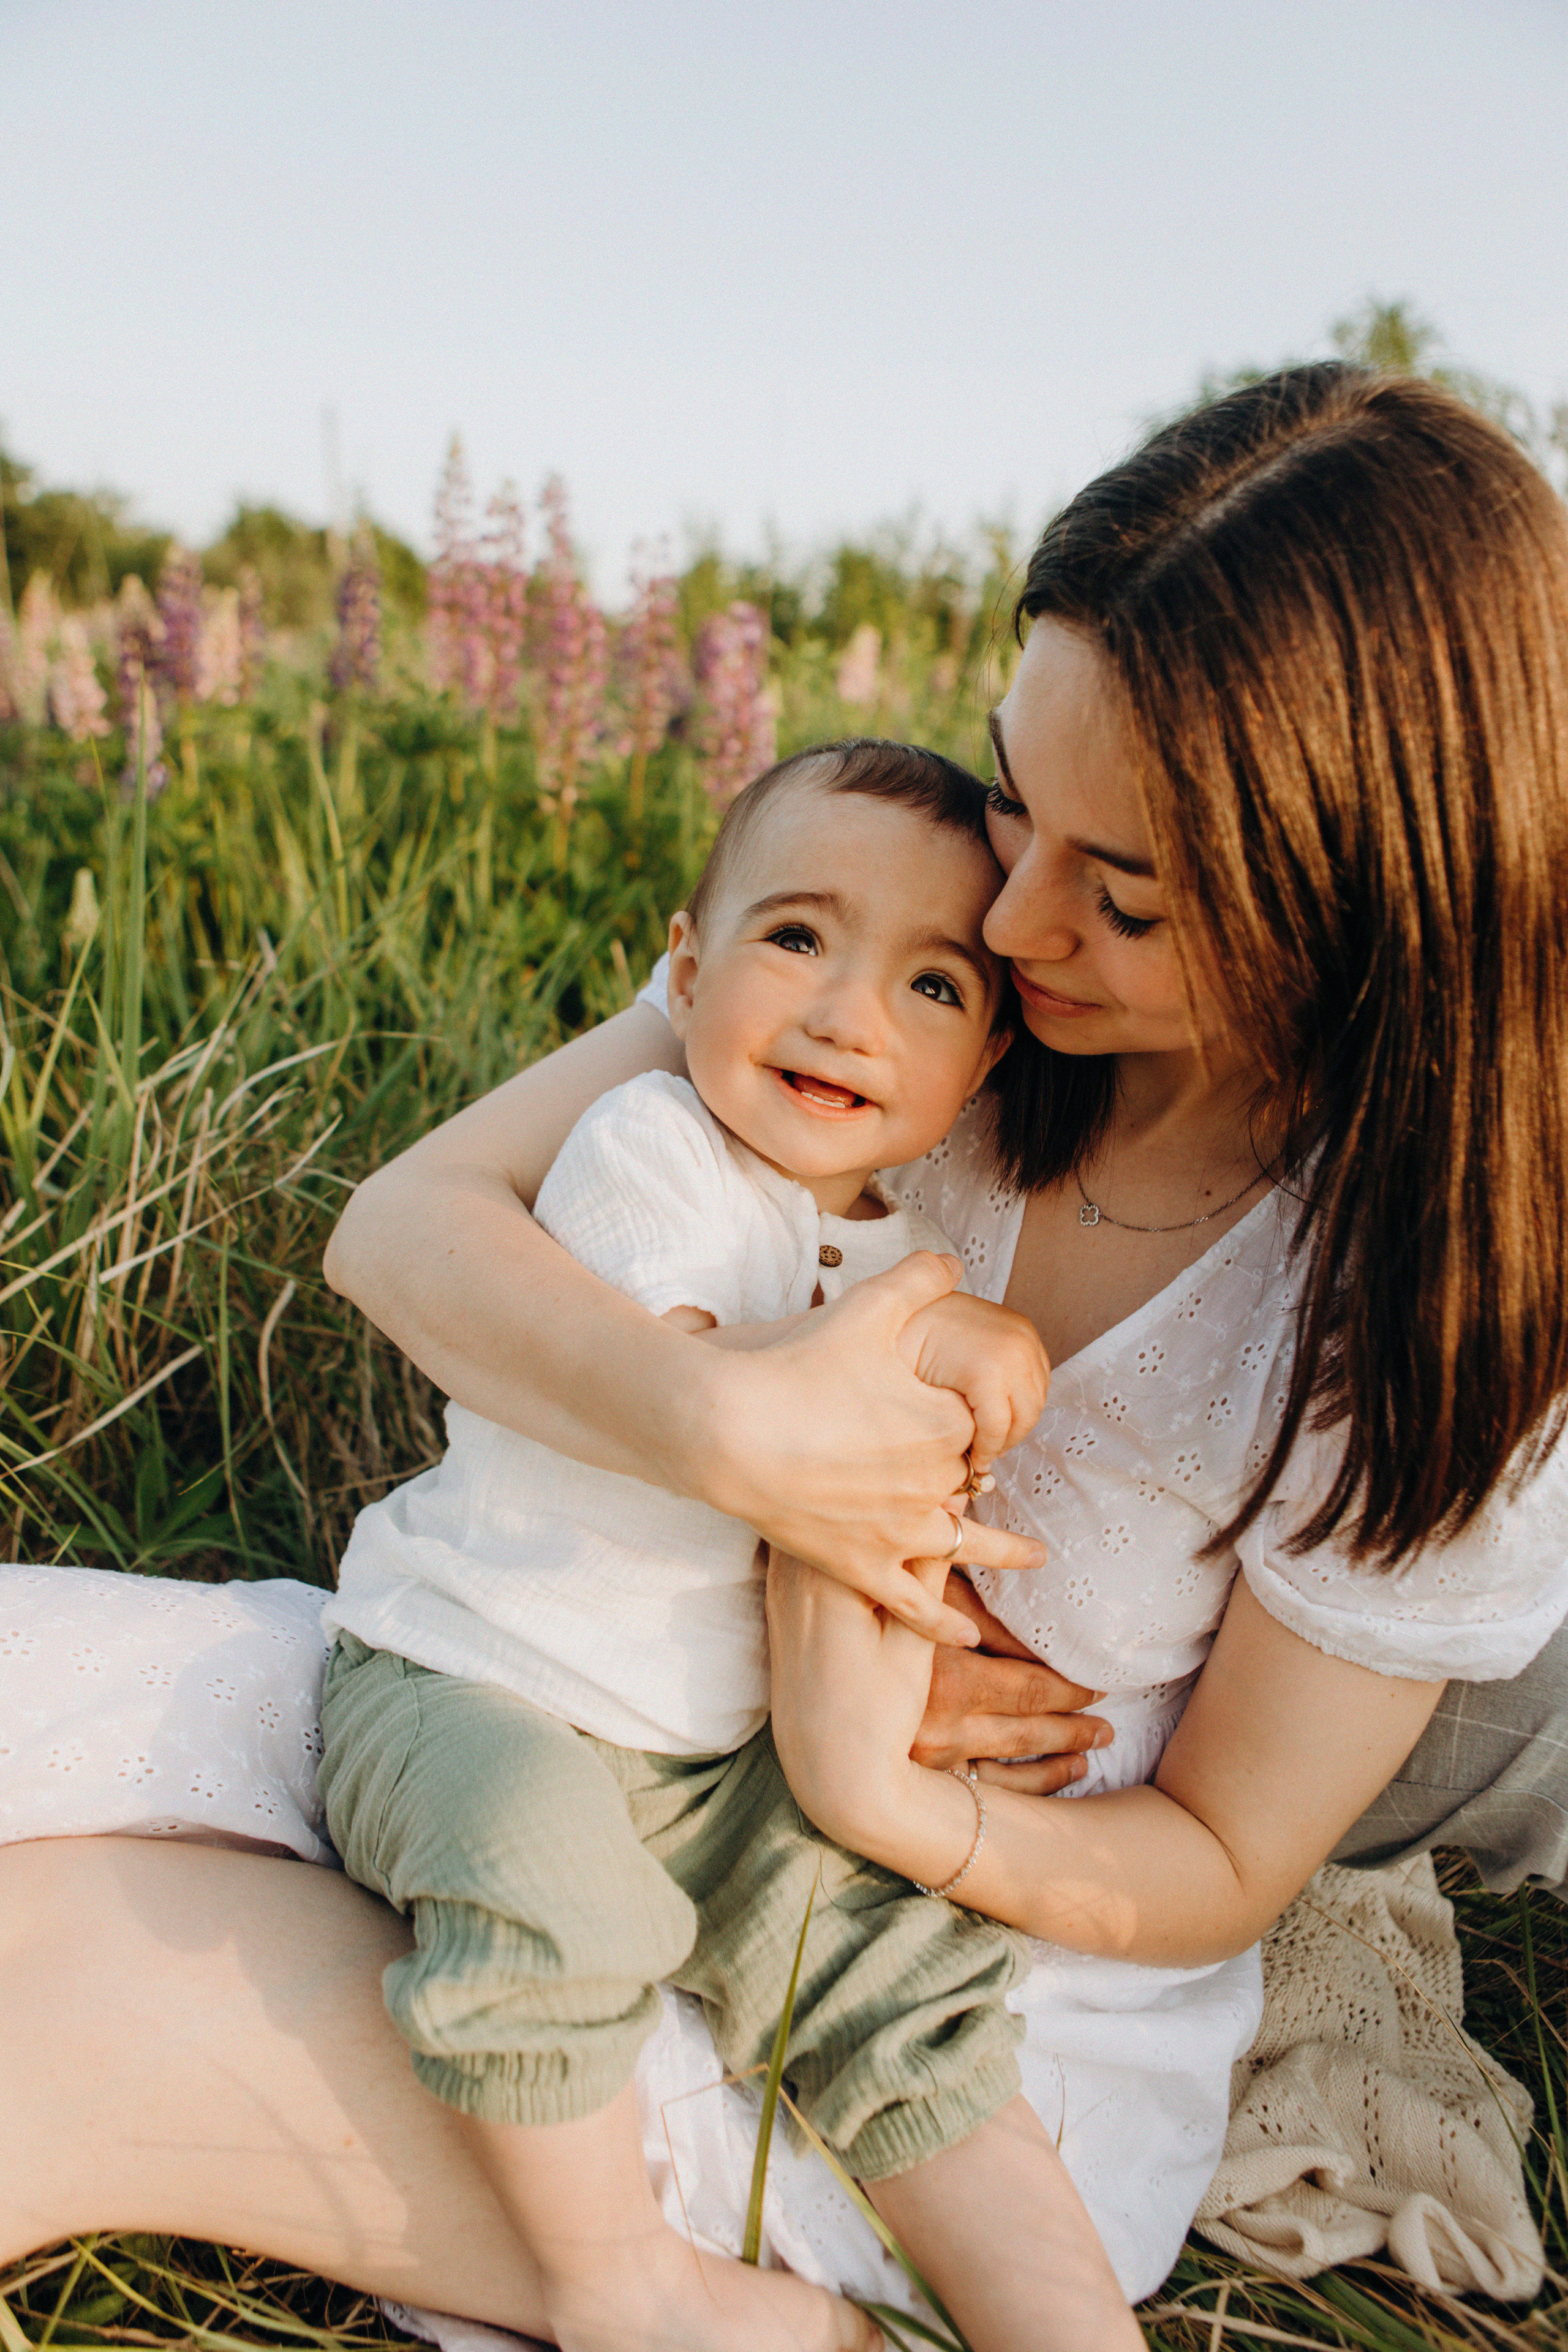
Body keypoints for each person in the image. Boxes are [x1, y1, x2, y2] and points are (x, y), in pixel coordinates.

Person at [4, 361, 1567, 2336]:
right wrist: (733, 1440)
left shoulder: (1427, 1304)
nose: (1009, 913)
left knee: (44, 1997)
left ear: (1374, 916)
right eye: (1017, 788)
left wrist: (876, 1781)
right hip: (573, 1676)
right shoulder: (888, 969)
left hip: (933, 1982)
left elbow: (1226, 1859)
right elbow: (408, 1231)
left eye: (1132, 894)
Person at [313, 734, 1141, 2352]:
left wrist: (950, 1342)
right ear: (683, 972)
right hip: (481, 1682)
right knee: (551, 1903)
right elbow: (705, 1375)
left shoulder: (892, 1241)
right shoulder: (648, 1149)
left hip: (708, 1757)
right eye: (796, 937)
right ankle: (622, 2289)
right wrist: (944, 1344)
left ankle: (1069, 2325)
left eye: (933, 987)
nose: (847, 1013)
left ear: (981, 1074)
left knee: (890, 1966)